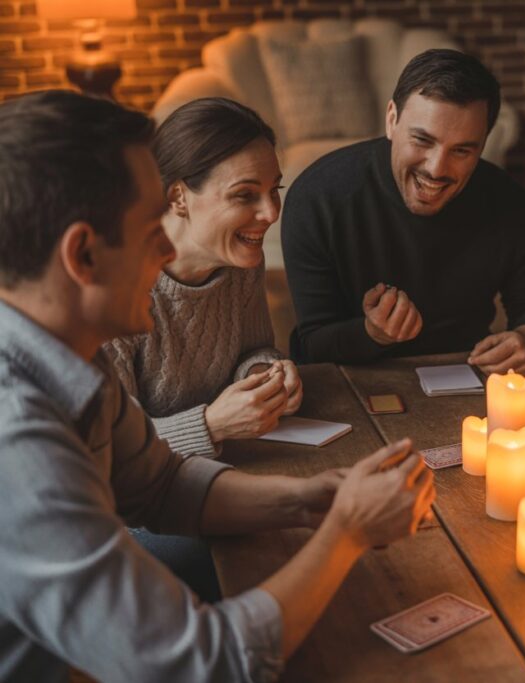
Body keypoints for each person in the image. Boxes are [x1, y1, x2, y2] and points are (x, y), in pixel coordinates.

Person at [0, 90, 435, 681]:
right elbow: (207, 662)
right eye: (146, 225)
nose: (164, 244)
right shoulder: (18, 441)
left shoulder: (66, 354)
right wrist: (346, 531)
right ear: (82, 254)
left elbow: (159, 483)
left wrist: (311, 499)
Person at [282, 49, 525, 376]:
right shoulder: (317, 198)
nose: (436, 168)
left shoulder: (512, 203)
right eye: (422, 140)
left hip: (462, 371)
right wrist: (372, 333)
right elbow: (315, 341)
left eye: (462, 150)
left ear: (483, 145)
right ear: (391, 120)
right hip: (347, 377)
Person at [105, 97, 301, 461]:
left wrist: (263, 375)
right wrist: (211, 425)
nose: (271, 213)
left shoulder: (241, 260)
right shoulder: (111, 287)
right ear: (178, 197)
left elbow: (252, 349)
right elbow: (107, 450)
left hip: (211, 473)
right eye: (245, 194)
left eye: (275, 189)